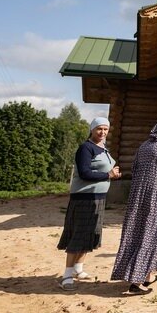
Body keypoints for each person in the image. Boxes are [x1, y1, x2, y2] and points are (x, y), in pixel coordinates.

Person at [111, 117, 157, 295]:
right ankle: (136, 283)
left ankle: (147, 275)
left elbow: (134, 169)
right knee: (152, 235)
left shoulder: (144, 146)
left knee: (137, 233)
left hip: (138, 196)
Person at [57, 117, 121, 290]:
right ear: (92, 129)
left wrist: (112, 174)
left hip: (98, 197)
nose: (103, 132)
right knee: (78, 234)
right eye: (99, 129)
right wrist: (108, 175)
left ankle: (78, 269)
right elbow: (85, 173)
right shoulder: (86, 148)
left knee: (90, 233)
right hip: (84, 198)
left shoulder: (102, 148)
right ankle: (67, 276)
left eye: (106, 129)